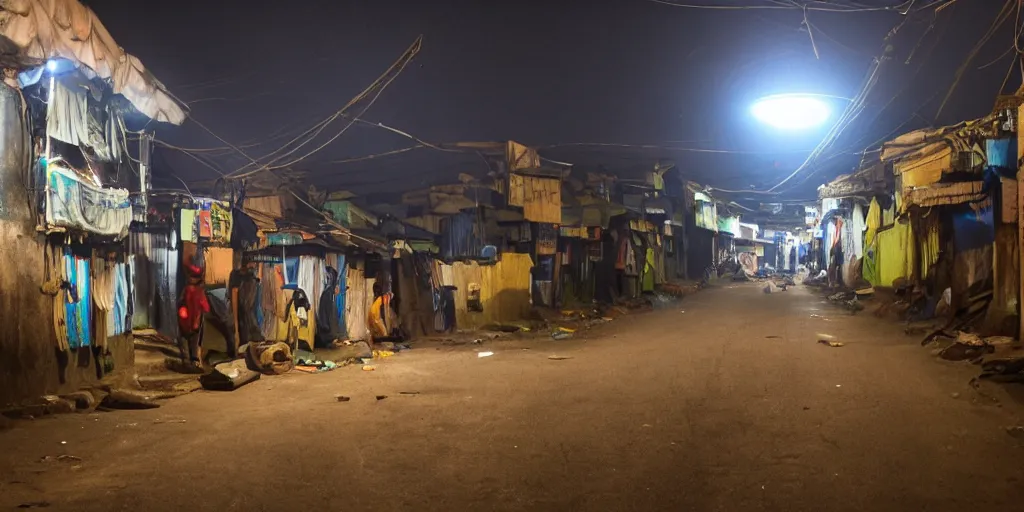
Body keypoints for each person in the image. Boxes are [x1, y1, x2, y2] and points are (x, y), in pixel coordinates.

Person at [177, 263, 209, 368]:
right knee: (191, 341)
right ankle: (191, 360)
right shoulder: (195, 291)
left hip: (190, 320)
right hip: (191, 320)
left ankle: (189, 360)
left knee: (187, 340)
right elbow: (205, 307)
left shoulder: (191, 290)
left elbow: (204, 307)